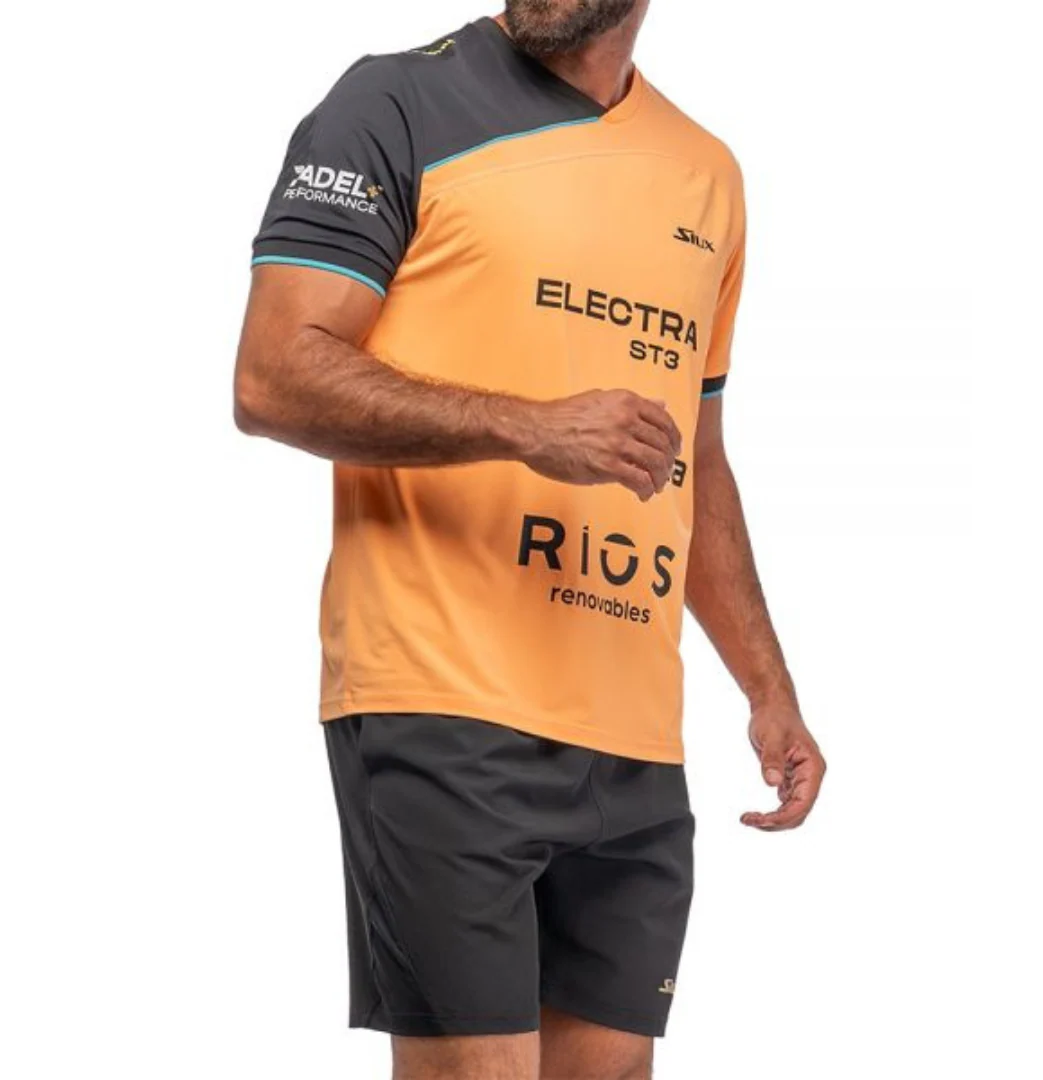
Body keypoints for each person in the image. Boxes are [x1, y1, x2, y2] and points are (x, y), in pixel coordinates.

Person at [234, 3, 826, 1077]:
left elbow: (696, 455)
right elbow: (273, 375)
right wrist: (526, 425)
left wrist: (766, 687)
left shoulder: (708, 175)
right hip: (442, 696)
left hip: (633, 729)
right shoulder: (397, 101)